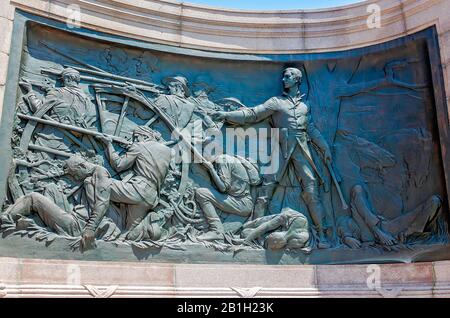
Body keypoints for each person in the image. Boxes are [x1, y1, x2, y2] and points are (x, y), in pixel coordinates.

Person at [213, 67, 332, 248]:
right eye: (284, 76)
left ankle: (322, 235)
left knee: (312, 190)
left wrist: (324, 149)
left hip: (302, 150)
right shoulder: (276, 102)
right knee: (265, 193)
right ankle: (252, 234)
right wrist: (227, 115)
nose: (284, 79)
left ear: (297, 80)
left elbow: (311, 129)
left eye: (288, 76)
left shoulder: (304, 106)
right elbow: (252, 114)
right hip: (281, 149)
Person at [94, 126, 173, 241]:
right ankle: (150, 224)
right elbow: (149, 157)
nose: (135, 140)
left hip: (137, 190)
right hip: (151, 197)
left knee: (99, 184)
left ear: (145, 136)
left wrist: (109, 145)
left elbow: (119, 165)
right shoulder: (167, 151)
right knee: (128, 236)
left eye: (137, 137)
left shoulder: (138, 146)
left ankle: (91, 226)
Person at [337, 184, 443, 249]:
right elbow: (341, 226)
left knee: (434, 201)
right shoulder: (347, 222)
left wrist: (380, 233)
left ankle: (410, 233)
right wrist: (346, 239)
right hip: (385, 231)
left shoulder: (364, 197)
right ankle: (405, 234)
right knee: (357, 188)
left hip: (390, 227)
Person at [195, 154, 260, 241]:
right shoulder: (229, 159)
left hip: (241, 203)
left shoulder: (223, 160)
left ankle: (217, 231)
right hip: (241, 202)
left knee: (202, 193)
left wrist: (210, 169)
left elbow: (223, 187)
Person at [239, 208, 311, 251]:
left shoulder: (298, 240)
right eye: (268, 236)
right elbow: (266, 226)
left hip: (282, 232)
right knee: (247, 226)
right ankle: (247, 226)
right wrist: (246, 241)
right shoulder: (285, 217)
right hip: (277, 220)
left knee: (244, 233)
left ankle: (258, 238)